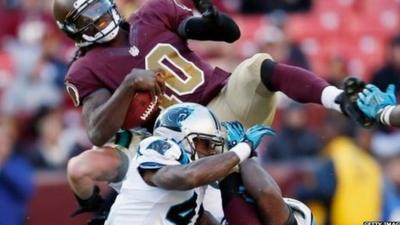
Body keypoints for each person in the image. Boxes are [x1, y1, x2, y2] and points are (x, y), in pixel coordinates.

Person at [51, 0, 364, 218]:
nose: (99, 17)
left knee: (258, 67)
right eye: (87, 14)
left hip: (220, 101)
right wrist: (129, 86)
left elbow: (229, 33)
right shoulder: (85, 69)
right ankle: (104, 208)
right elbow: (96, 130)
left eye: (97, 6)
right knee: (219, 192)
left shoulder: (153, 14)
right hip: (172, 141)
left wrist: (211, 20)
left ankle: (338, 98)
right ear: (74, 28)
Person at [105, 102, 275, 224]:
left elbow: (199, 218)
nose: (212, 152)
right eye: (206, 144)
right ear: (183, 137)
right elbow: (188, 176)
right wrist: (244, 148)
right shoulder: (156, 148)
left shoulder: (196, 193)